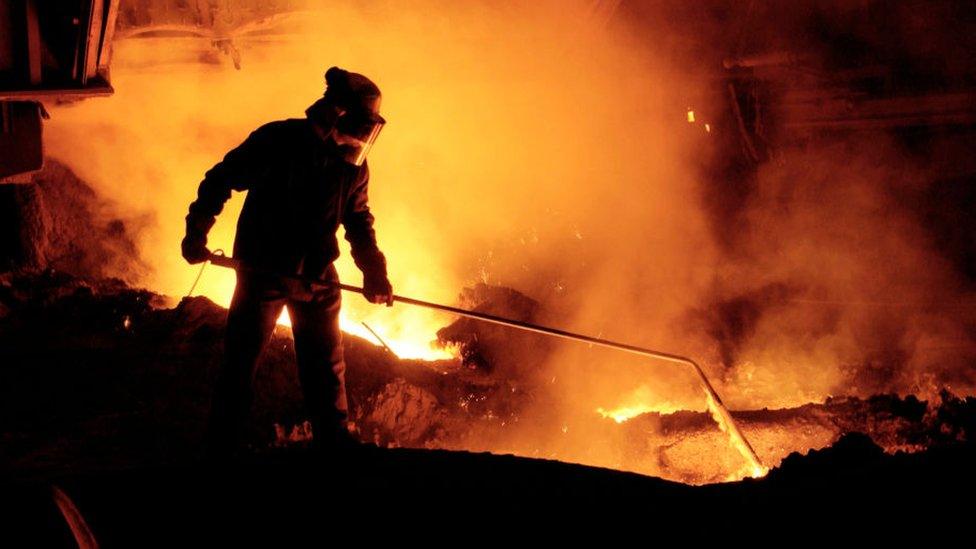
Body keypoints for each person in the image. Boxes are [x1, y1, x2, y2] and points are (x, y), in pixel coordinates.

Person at [181, 67, 393, 457]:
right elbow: (221, 179)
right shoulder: (278, 141)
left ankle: (333, 442)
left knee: (327, 369)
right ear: (334, 114)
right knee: (241, 362)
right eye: (358, 126)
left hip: (317, 278)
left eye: (368, 130)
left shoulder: (353, 168)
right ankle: (222, 446)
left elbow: (359, 222)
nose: (362, 139)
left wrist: (375, 271)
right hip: (264, 272)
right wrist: (197, 231)